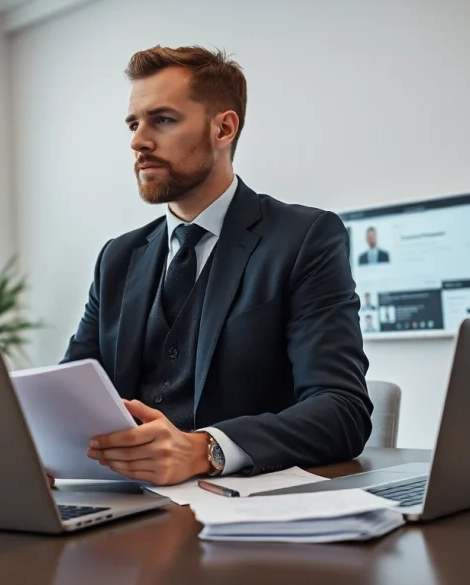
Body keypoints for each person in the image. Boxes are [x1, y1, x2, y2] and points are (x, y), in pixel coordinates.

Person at [61, 45, 372, 487]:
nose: (138, 141)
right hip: (128, 503)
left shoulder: (304, 238)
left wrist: (206, 448)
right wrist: (39, 444)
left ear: (223, 128)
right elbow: (69, 391)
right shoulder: (118, 258)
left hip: (245, 512)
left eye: (162, 120)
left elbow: (343, 410)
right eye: (134, 124)